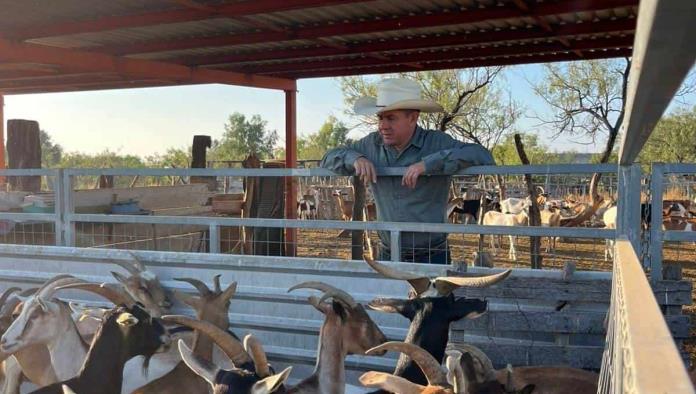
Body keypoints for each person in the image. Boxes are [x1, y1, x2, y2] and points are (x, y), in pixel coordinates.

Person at [321, 78, 495, 264]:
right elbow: (329, 157)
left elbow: (482, 155)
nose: (383, 126)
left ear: (413, 118)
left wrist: (429, 164)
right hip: (387, 253)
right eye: (380, 118)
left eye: (391, 118)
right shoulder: (370, 144)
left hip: (432, 254)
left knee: (434, 294)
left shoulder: (436, 142)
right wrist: (355, 158)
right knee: (389, 294)